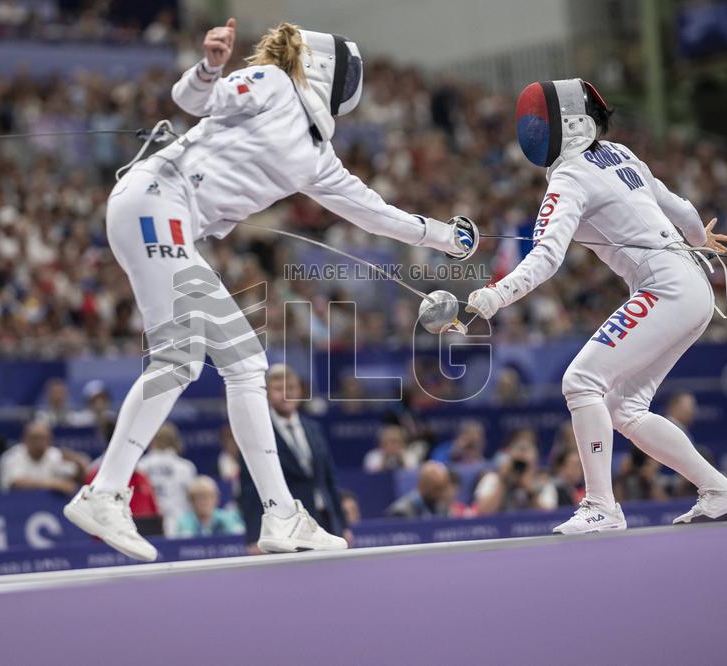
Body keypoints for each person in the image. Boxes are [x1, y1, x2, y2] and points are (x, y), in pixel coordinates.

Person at [64, 18, 478, 561]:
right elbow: (195, 98)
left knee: (236, 364)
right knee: (188, 360)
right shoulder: (274, 83)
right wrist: (211, 66)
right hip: (156, 202)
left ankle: (280, 515)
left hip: (158, 216)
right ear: (329, 71)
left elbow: (374, 214)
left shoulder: (316, 155)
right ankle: (106, 491)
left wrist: (445, 237)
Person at [466, 78, 727, 533]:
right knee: (624, 409)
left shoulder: (570, 175)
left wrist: (497, 295)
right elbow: (681, 207)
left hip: (666, 290)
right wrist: (700, 239)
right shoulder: (621, 154)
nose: (532, 133)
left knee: (581, 381)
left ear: (567, 125)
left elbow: (546, 256)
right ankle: (721, 491)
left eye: (540, 123)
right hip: (692, 286)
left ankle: (601, 505)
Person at [240, 364, 351, 550]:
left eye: (291, 388)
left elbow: (329, 480)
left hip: (325, 520)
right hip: (289, 527)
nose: (286, 394)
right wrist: (253, 536)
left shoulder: (313, 428)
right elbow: (251, 487)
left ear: (300, 391)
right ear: (267, 393)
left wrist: (343, 525)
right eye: (278, 389)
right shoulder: (259, 433)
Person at [135, 422, 197, 536]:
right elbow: (193, 497)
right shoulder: (184, 467)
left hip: (147, 524)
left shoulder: (140, 466)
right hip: (179, 522)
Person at [0, 420, 89, 495]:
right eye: (35, 438)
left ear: (50, 440)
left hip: (48, 505)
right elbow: (17, 483)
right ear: (25, 439)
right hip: (15, 505)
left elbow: (74, 476)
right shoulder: (12, 456)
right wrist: (55, 484)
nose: (39, 443)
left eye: (43, 438)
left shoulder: (54, 454)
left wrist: (78, 463)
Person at [174, 476, 245, 538]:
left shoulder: (228, 518)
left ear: (216, 499)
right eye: (199, 498)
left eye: (209, 497)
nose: (204, 502)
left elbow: (239, 536)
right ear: (191, 501)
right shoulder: (184, 521)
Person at [386, 461, 453, 519]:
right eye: (437, 488)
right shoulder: (400, 513)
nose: (441, 493)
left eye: (443, 488)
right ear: (422, 484)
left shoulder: (442, 507)